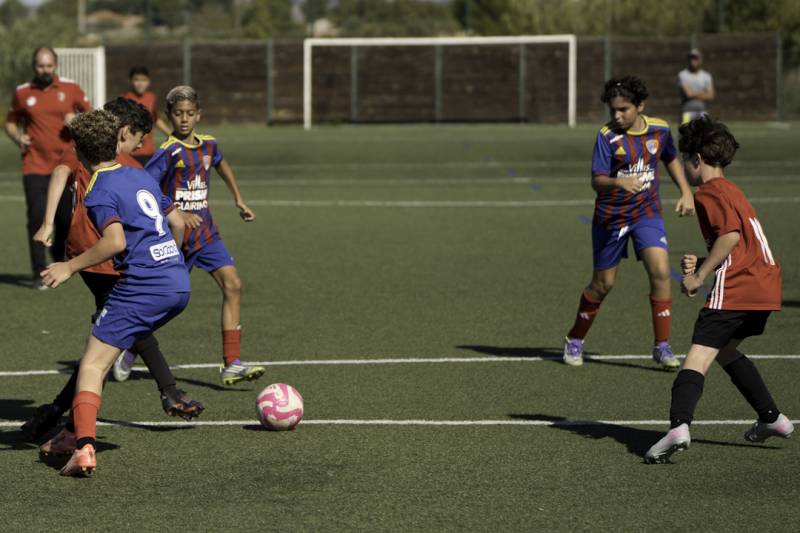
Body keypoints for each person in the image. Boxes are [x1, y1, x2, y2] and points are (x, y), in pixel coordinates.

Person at [22, 97, 203, 450]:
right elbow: (62, 171)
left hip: (107, 257)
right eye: (138, 137)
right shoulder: (115, 164)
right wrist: (48, 223)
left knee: (109, 340)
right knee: (112, 338)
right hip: (100, 256)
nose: (140, 144)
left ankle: (64, 418)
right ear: (122, 132)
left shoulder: (121, 162)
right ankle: (76, 420)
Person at [645, 116, 792, 463]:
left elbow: (729, 237)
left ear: (697, 159)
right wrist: (702, 260)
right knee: (725, 350)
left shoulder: (708, 192)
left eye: (684, 158)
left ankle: (678, 427)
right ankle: (773, 419)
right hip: (765, 285)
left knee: (697, 356)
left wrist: (699, 277)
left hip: (740, 285)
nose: (683, 165)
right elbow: (738, 241)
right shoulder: (732, 189)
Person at [562, 76, 695, 369]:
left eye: (623, 109)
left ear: (640, 106)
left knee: (661, 271)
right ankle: (575, 338)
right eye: (613, 110)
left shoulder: (659, 129)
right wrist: (617, 182)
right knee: (603, 284)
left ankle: (661, 346)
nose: (617, 115)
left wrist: (686, 191)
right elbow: (596, 181)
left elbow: (670, 157)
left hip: (646, 214)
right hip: (611, 219)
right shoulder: (607, 136)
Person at [145, 85, 264, 386]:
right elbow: (145, 190)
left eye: (189, 114)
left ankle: (232, 363)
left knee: (233, 284)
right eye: (177, 114)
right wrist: (177, 213)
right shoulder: (167, 151)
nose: (184, 119)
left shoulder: (209, 145)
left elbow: (221, 164)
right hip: (178, 239)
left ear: (199, 115)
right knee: (166, 303)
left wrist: (238, 198)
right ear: (168, 116)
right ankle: (133, 346)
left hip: (207, 234)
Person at [4, 47, 92, 289]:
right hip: (35, 165)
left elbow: (93, 117)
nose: (45, 70)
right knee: (36, 218)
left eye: (49, 65)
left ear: (56, 65)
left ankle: (59, 260)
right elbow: (10, 123)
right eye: (41, 66)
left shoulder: (71, 88)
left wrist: (76, 122)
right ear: (35, 66)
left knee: (65, 219)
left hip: (66, 166)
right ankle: (38, 273)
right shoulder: (23, 93)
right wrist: (17, 138)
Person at [123, 66, 171, 166]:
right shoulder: (125, 100)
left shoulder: (151, 98)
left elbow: (156, 119)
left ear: (149, 81)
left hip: (148, 152)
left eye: (143, 80)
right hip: (131, 152)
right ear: (130, 81)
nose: (140, 83)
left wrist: (172, 135)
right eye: (136, 80)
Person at [678, 49, 714, 125]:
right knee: (686, 134)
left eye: (695, 58)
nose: (693, 61)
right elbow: (688, 94)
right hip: (686, 112)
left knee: (703, 134)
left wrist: (694, 94)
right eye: (691, 58)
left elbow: (710, 95)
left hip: (702, 112)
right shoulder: (682, 75)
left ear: (700, 60)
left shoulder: (706, 76)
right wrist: (703, 92)